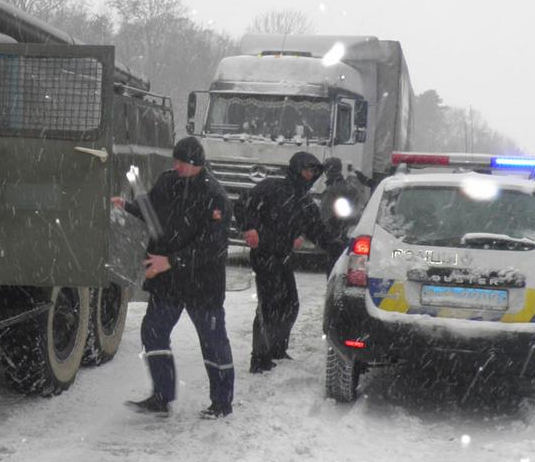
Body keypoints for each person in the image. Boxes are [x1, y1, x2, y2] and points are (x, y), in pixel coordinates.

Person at [112, 136, 236, 417]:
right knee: (153, 333)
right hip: (168, 282)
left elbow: (212, 245)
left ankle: (221, 402)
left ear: (196, 163)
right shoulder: (168, 181)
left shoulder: (215, 196)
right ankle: (161, 395)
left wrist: (170, 260)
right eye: (175, 161)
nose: (176, 166)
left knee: (213, 342)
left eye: (181, 162)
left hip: (202, 283)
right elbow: (152, 209)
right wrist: (128, 206)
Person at [242, 150, 341, 372]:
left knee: (290, 304)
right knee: (269, 306)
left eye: (314, 172)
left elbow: (318, 232)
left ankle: (277, 349)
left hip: (283, 256)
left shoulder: (304, 202)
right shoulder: (271, 187)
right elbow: (244, 203)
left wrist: (342, 248)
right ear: (296, 169)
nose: (310, 175)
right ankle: (259, 358)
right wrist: (249, 227)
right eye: (307, 170)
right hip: (264, 254)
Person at [319, 157, 370, 256]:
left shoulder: (331, 191)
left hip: (335, 234)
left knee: (333, 264)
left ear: (327, 171)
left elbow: (325, 214)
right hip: (350, 232)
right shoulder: (351, 188)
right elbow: (357, 211)